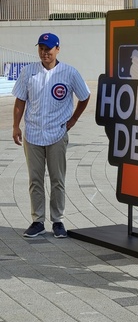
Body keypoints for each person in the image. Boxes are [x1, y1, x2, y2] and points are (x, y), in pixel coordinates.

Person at [12, 33, 90, 239]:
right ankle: (37, 220)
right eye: (41, 49)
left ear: (58, 49)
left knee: (57, 179)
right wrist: (15, 126)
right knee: (35, 179)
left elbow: (85, 96)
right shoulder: (29, 72)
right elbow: (20, 100)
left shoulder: (69, 73)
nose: (45, 53)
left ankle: (58, 220)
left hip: (57, 134)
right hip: (33, 134)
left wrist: (72, 121)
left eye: (48, 49)